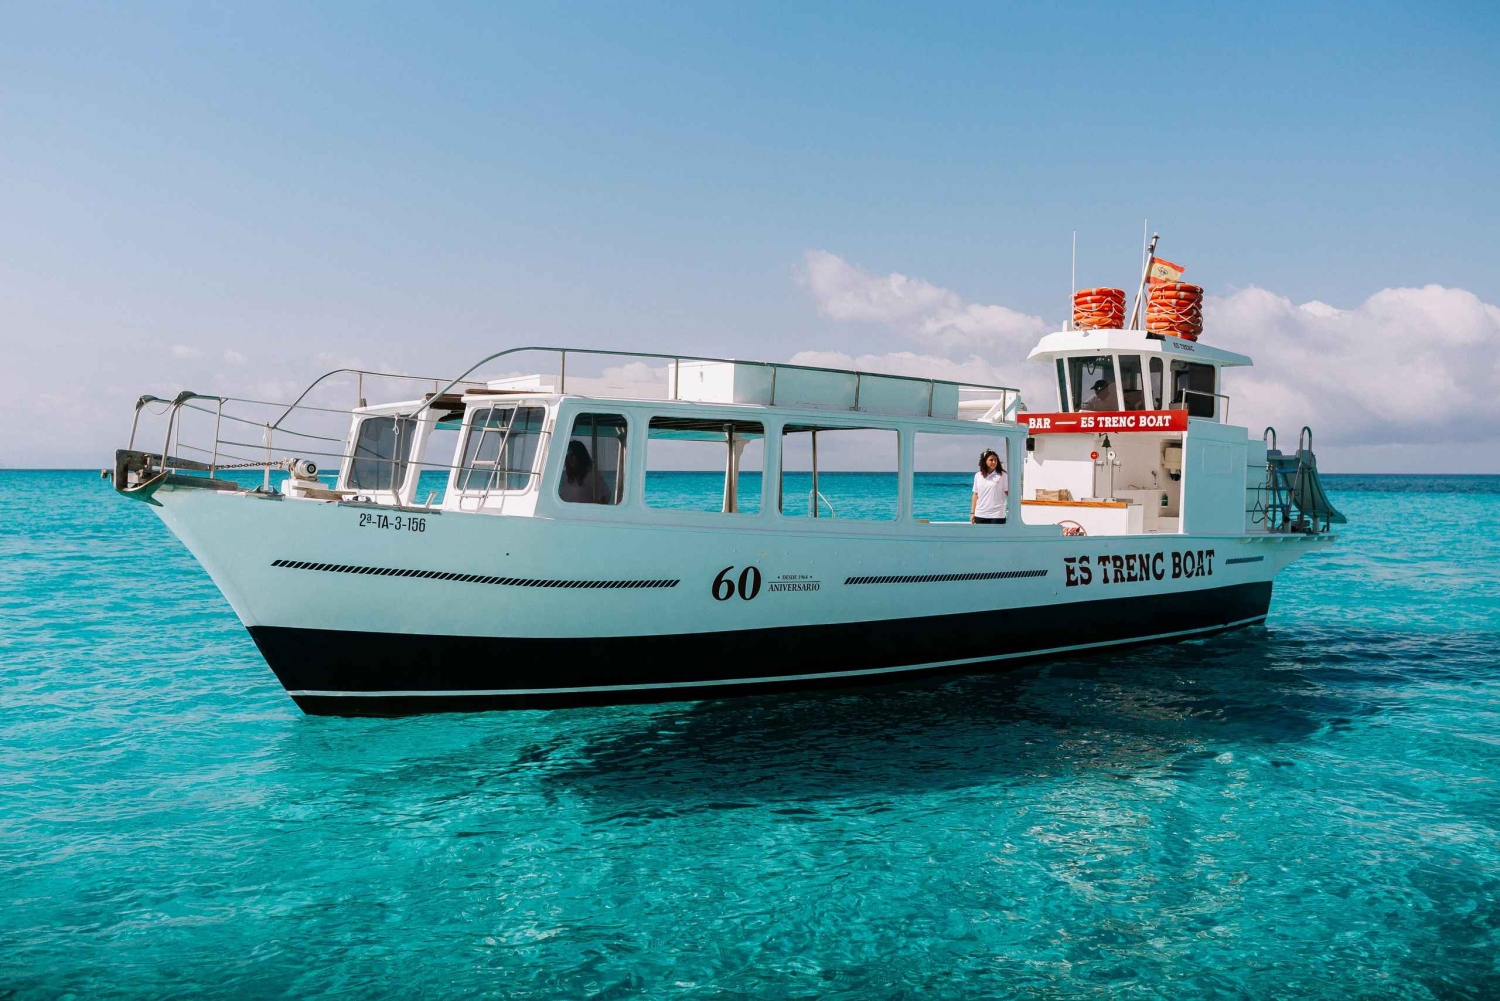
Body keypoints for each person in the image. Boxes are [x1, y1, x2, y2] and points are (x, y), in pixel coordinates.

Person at [971, 449, 1008, 524]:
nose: (994, 462)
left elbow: (1008, 492)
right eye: (991, 460)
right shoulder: (978, 475)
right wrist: (972, 513)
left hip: (997, 515)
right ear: (985, 461)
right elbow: (975, 494)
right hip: (980, 514)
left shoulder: (1002, 475)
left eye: (995, 460)